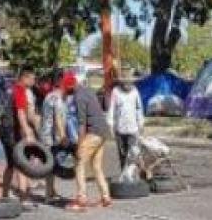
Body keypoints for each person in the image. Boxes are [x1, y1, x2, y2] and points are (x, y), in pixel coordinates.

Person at [70, 72, 114, 211]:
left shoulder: (78, 97)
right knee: (96, 166)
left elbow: (82, 123)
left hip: (93, 132)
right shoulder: (88, 91)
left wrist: (79, 144)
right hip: (103, 132)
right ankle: (106, 197)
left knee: (79, 163)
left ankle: (81, 199)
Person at [0, 67, 38, 205]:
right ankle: (23, 198)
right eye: (32, 78)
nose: (34, 81)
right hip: (12, 132)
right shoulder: (20, 91)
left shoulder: (11, 89)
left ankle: (4, 194)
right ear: (25, 78)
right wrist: (28, 132)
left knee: (10, 164)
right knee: (21, 164)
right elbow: (21, 113)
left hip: (5, 131)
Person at [39, 71, 76, 204]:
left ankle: (51, 191)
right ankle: (48, 195)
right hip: (50, 137)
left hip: (46, 134)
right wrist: (63, 136)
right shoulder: (58, 99)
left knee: (51, 165)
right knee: (50, 165)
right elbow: (58, 119)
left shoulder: (50, 96)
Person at [108, 73, 145, 174]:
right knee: (122, 153)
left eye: (129, 84)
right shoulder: (115, 92)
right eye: (125, 84)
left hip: (133, 128)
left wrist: (141, 123)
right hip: (120, 128)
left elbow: (139, 109)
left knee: (133, 152)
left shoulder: (135, 92)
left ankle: (132, 174)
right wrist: (111, 126)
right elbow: (112, 109)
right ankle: (124, 174)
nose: (127, 86)